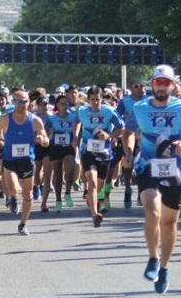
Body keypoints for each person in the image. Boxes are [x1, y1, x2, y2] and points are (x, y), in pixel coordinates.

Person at [122, 65, 181, 294]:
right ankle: (152, 257)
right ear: (152, 84)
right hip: (147, 166)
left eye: (166, 82)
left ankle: (164, 266)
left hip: (175, 170)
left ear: (173, 85)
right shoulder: (140, 108)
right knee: (152, 211)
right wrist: (128, 153)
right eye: (158, 82)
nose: (161, 86)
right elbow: (127, 132)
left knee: (169, 223)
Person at [0, 88, 50, 235]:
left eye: (23, 102)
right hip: (10, 160)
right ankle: (12, 198)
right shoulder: (6, 118)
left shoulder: (35, 121)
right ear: (13, 102)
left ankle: (23, 224)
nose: (20, 105)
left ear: (29, 103)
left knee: (28, 195)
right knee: (14, 189)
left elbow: (46, 141)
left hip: (27, 160)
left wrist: (42, 140)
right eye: (17, 101)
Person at [75, 85, 124, 227]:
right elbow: (76, 121)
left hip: (105, 153)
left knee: (99, 185)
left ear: (101, 99)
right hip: (88, 151)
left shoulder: (109, 111)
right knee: (92, 182)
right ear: (88, 100)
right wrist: (75, 136)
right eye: (92, 100)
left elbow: (122, 129)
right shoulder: (82, 111)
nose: (95, 102)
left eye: (97, 99)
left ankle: (92, 198)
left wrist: (109, 135)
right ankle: (94, 215)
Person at [43, 94, 79, 213]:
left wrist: (76, 139)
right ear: (57, 105)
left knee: (70, 169)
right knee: (57, 174)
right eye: (62, 104)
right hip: (55, 147)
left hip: (68, 147)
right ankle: (58, 200)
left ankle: (67, 193)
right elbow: (44, 134)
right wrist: (50, 131)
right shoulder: (51, 119)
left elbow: (78, 129)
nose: (64, 106)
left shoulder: (73, 117)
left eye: (66, 104)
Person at [116, 79, 146, 209]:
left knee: (141, 165)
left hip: (143, 136)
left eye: (141, 86)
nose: (139, 88)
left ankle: (141, 192)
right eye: (136, 86)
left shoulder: (148, 100)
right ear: (131, 88)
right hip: (129, 136)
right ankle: (127, 189)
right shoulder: (125, 102)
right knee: (129, 163)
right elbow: (117, 117)